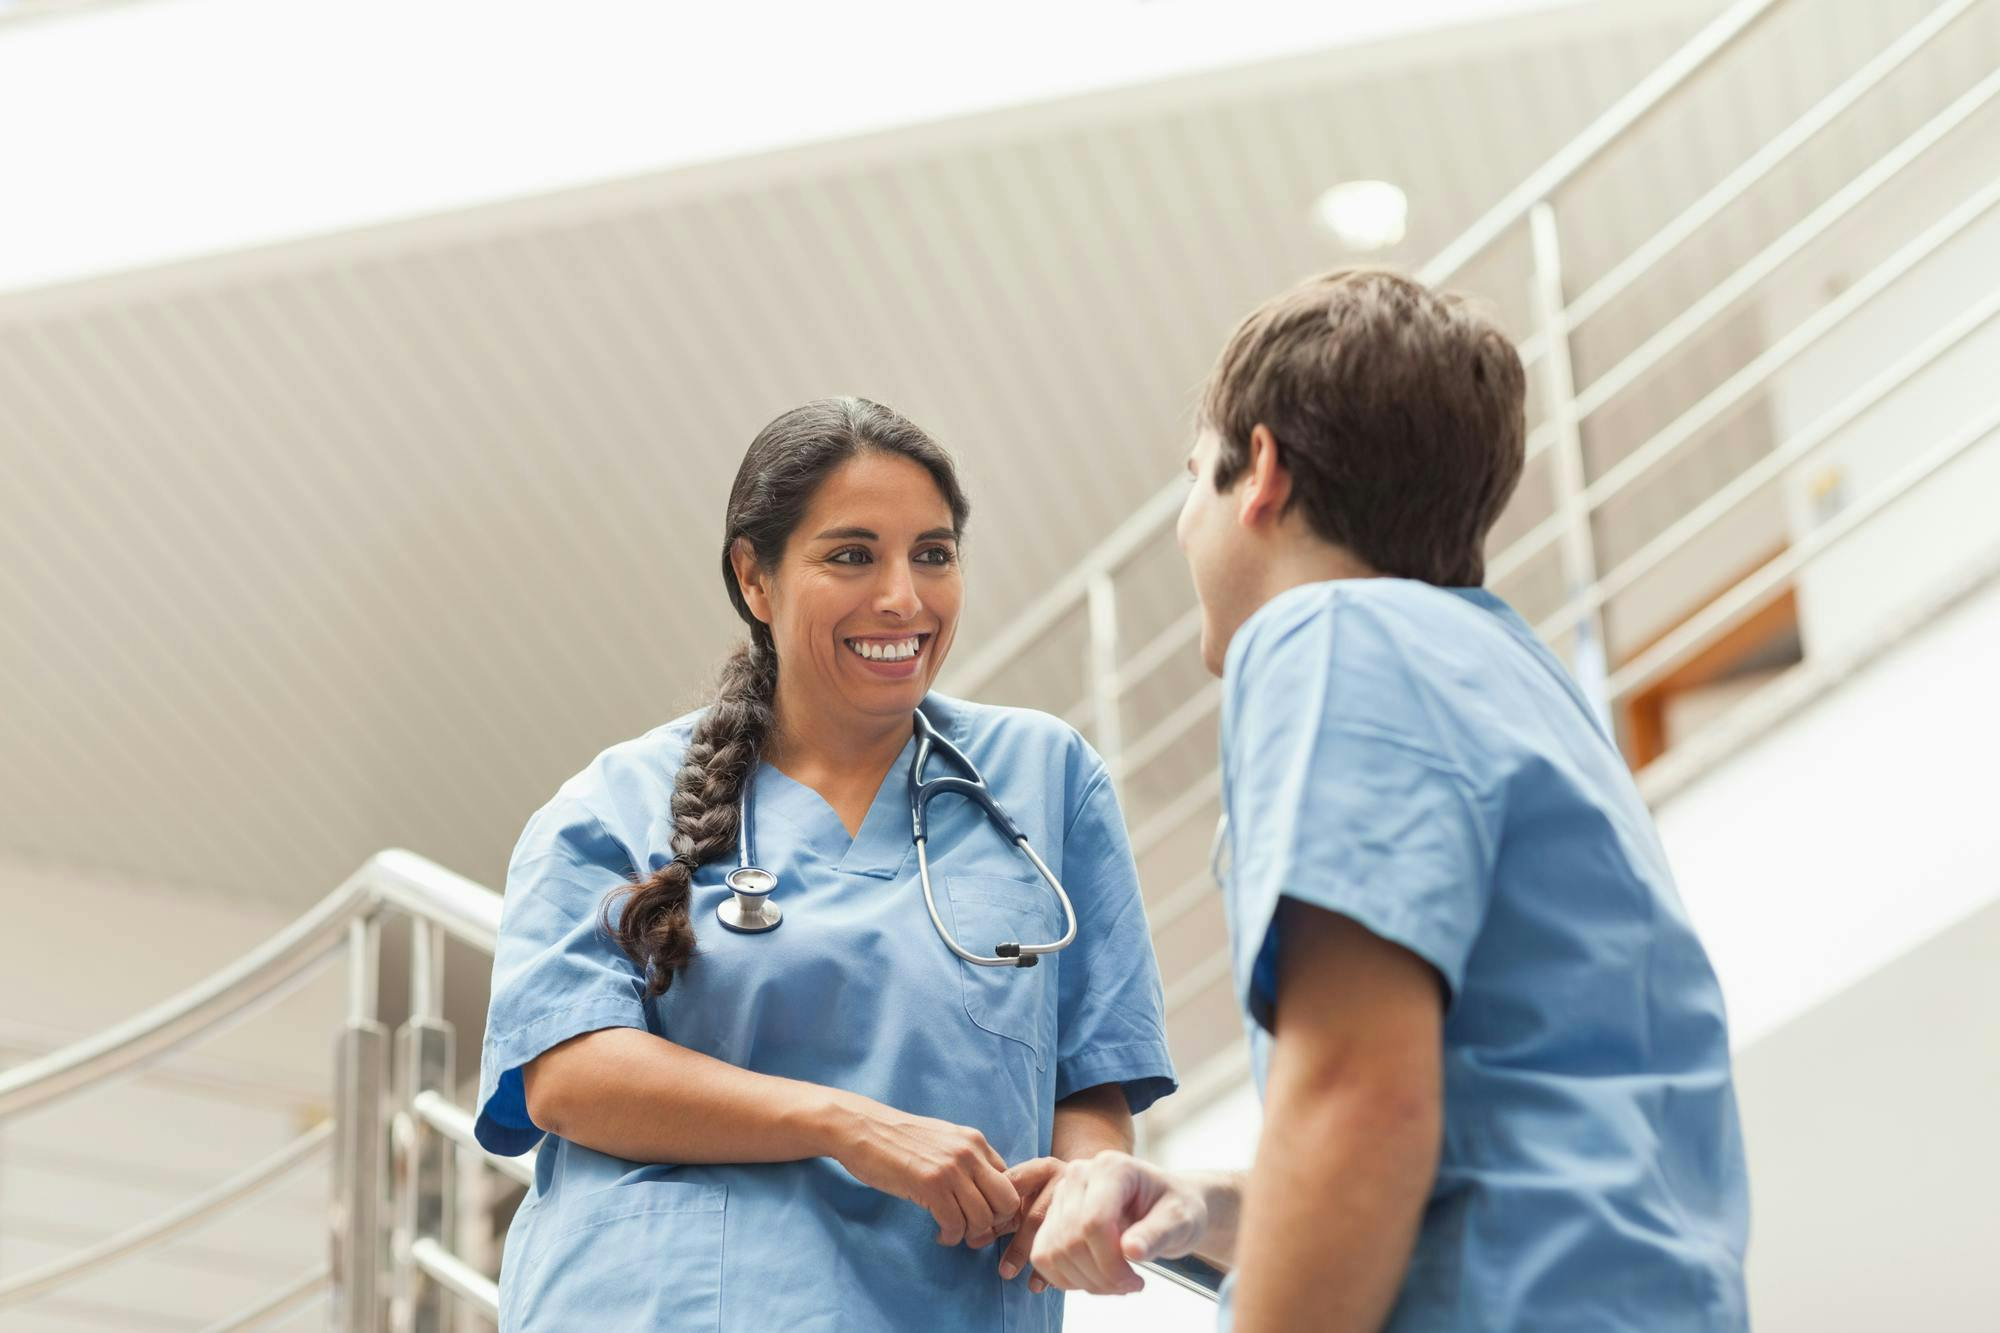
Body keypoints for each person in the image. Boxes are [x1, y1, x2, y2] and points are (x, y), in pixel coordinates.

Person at [1027, 270, 1750, 1330]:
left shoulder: (1322, 636)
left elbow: (1362, 1098)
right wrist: (1211, 1205)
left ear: (1260, 472)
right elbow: (1474, 1125)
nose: (1186, 524)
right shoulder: (1516, 677)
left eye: (1195, 479)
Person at [473, 397, 1177, 1330]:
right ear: (754, 579)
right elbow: (564, 1074)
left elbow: (1089, 1079)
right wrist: (849, 1125)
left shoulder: (1046, 783)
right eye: (852, 555)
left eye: (933, 552)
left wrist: (1081, 1187)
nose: (903, 597)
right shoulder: (614, 803)